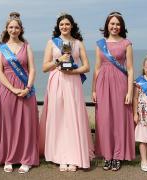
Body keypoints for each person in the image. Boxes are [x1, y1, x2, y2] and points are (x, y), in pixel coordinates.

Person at [39, 13, 95, 172]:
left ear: (72, 26)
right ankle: (60, 156)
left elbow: (87, 67)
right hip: (56, 81)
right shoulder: (51, 43)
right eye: (61, 24)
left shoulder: (78, 43)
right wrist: (59, 60)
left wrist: (73, 72)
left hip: (73, 82)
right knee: (58, 118)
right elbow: (44, 67)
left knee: (72, 117)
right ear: (58, 26)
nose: (64, 27)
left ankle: (74, 156)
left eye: (67, 24)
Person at [0, 12, 39, 173]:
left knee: (26, 124)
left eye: (16, 27)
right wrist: (12, 89)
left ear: (21, 29)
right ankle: (9, 158)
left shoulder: (27, 47)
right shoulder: (1, 48)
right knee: (8, 124)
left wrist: (27, 87)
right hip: (7, 89)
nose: (13, 30)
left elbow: (32, 69)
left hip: (25, 89)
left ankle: (26, 159)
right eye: (11, 27)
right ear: (6, 29)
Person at [92, 11, 135, 171]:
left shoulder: (126, 43)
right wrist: (93, 90)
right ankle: (107, 155)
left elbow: (130, 69)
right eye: (112, 23)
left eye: (118, 24)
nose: (115, 26)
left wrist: (130, 92)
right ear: (107, 25)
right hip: (102, 84)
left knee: (119, 119)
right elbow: (96, 68)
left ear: (121, 26)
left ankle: (117, 155)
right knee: (104, 120)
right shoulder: (100, 43)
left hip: (120, 83)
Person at [133, 55, 147, 172]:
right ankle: (143, 160)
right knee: (143, 139)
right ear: (143, 67)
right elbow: (135, 98)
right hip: (142, 115)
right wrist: (135, 114)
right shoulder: (139, 81)